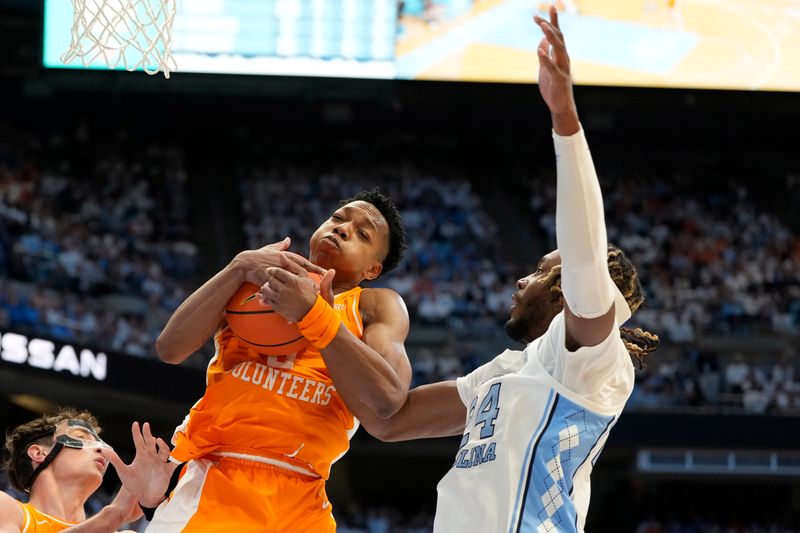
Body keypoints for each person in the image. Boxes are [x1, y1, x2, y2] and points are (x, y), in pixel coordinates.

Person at [330, 7, 659, 532]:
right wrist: (321, 326)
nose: (521, 280)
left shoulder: (593, 360)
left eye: (539, 272)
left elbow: (582, 252)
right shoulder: (505, 372)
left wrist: (565, 120)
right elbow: (388, 420)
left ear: (565, 293)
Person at [149, 189, 411, 532]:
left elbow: (388, 397)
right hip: (219, 476)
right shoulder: (256, 279)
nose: (343, 228)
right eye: (338, 217)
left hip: (305, 495)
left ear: (372, 268)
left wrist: (314, 314)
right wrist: (238, 266)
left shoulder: (375, 305)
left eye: (362, 234)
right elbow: (170, 348)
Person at [0, 408, 174, 533]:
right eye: (81, 438)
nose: (101, 450)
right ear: (39, 453)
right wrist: (111, 516)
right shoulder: (7, 508)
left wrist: (157, 507)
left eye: (100, 444)